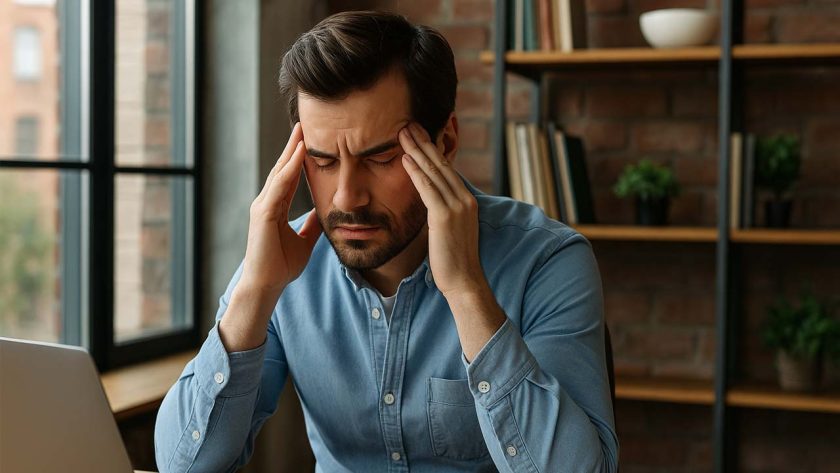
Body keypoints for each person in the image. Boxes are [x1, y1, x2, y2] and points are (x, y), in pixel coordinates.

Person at [155, 11, 618, 473]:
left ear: (446, 142)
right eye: (322, 161)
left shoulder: (546, 261)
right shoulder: (283, 262)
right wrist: (254, 293)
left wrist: (466, 290)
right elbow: (183, 467)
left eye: (379, 158)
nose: (347, 197)